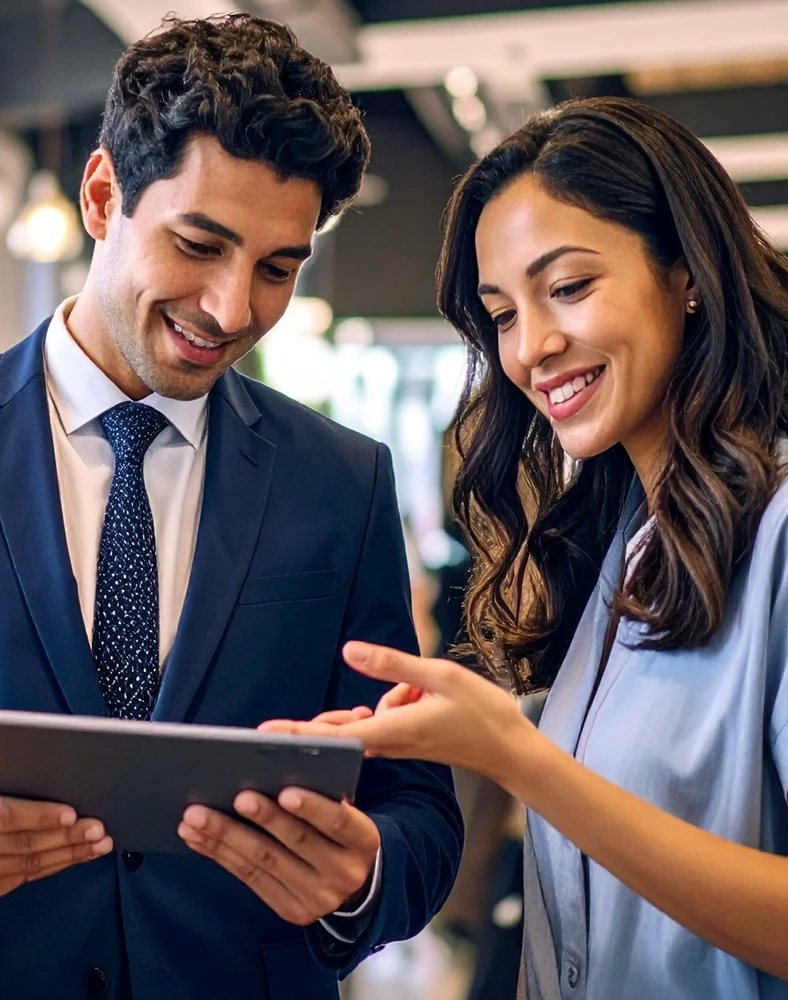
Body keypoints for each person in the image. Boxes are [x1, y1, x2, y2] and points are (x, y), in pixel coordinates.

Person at [264, 96, 788, 999]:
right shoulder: (622, 538)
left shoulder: (777, 529)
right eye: (503, 313)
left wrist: (518, 756)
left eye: (570, 287)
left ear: (687, 273)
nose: (533, 347)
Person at [0, 14, 461, 1000]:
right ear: (99, 195)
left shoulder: (343, 481)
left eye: (277, 268)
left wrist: (358, 872)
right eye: (198, 243)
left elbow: (415, 804)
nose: (230, 308)